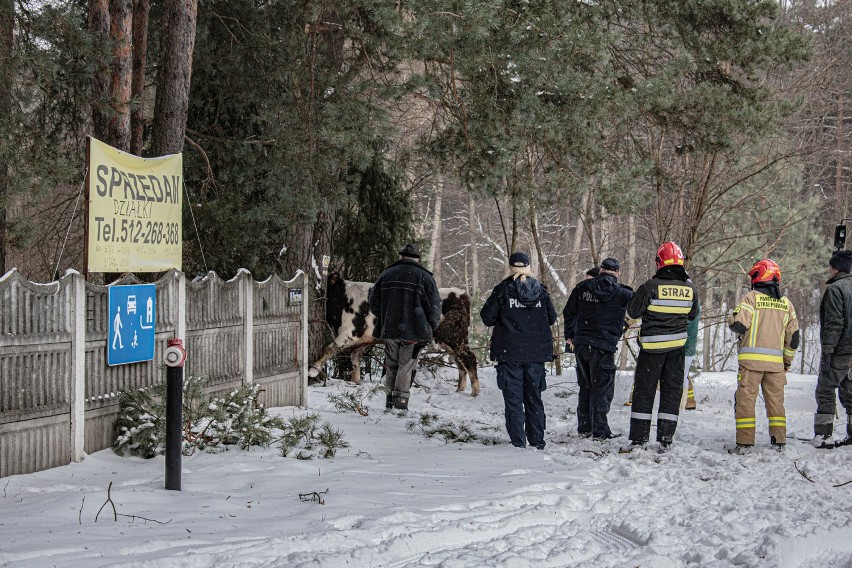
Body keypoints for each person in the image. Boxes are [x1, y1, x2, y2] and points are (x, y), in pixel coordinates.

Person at [624, 241, 699, 451]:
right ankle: (665, 438)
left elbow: (633, 312)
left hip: (651, 350)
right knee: (671, 393)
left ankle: (639, 438)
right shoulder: (690, 289)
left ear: (660, 263)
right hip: (677, 351)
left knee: (644, 392)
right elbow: (692, 314)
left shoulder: (650, 286)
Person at [481, 251, 557, 449]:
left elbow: (487, 317)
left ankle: (518, 442)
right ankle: (538, 441)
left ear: (510, 267)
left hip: (510, 352)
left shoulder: (503, 290)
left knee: (514, 400)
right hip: (536, 353)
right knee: (534, 399)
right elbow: (551, 318)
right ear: (528, 266)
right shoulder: (541, 290)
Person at [727, 259, 799, 453]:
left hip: (751, 365)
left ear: (757, 277)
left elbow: (739, 325)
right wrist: (786, 361)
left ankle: (745, 443)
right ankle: (779, 440)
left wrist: (731, 316)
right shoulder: (786, 304)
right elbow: (794, 339)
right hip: (776, 366)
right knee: (776, 404)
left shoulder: (751, 298)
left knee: (746, 403)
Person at [563, 258, 633, 439]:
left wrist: (569, 335)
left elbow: (568, 311)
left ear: (601, 270)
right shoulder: (623, 293)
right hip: (603, 346)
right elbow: (638, 310)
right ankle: (600, 430)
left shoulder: (582, 288)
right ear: (617, 273)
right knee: (602, 388)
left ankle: (585, 427)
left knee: (585, 386)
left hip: (581, 344)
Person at [368, 243, 442, 410]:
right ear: (417, 259)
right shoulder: (426, 278)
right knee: (406, 366)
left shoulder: (386, 274)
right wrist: (431, 326)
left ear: (400, 257)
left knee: (392, 364)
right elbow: (435, 308)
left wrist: (387, 316)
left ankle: (389, 401)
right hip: (415, 331)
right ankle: (400, 403)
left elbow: (373, 304)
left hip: (390, 328)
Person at [812, 250, 852, 448]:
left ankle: (823, 435)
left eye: (830, 266)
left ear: (836, 269)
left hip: (840, 351)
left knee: (825, 391)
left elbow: (834, 322)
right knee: (850, 393)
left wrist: (828, 351)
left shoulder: (836, 289)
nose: (829, 269)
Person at [683, 301, 701, 410]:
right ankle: (689, 402)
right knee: (684, 374)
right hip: (690, 344)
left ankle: (685, 402)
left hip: (682, 343)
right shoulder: (695, 302)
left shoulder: (686, 301)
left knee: (681, 375)